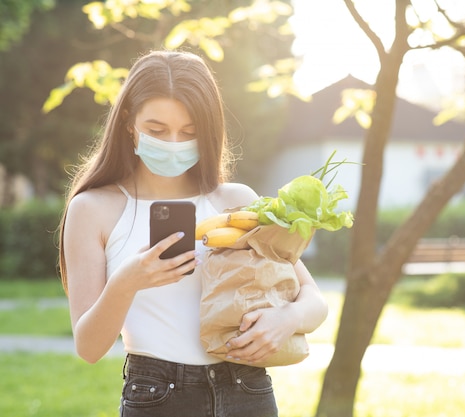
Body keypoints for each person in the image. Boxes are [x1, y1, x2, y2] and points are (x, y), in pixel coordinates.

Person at [58, 50, 329, 417]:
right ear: (128, 123)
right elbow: (89, 348)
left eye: (189, 132)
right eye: (156, 130)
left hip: (246, 390)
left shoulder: (237, 201)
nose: (172, 143)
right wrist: (127, 281)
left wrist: (287, 320)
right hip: (157, 396)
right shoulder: (93, 209)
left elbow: (313, 298)